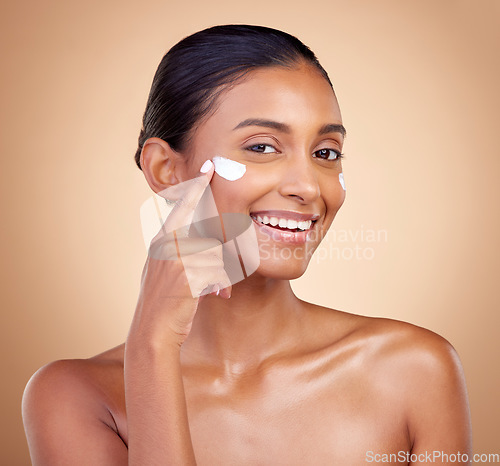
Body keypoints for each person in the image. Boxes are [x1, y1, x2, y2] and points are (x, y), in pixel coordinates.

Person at [22, 24, 472, 465]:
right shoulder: (75, 396)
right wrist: (152, 346)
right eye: (261, 147)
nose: (309, 187)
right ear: (165, 169)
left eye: (326, 153)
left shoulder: (414, 370)